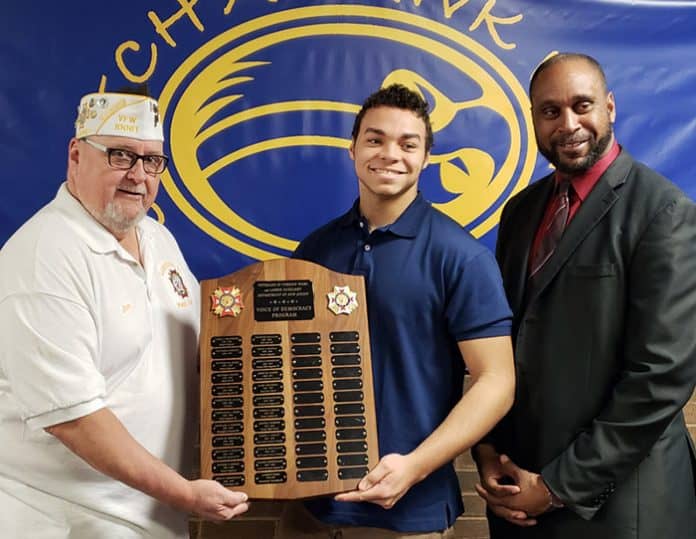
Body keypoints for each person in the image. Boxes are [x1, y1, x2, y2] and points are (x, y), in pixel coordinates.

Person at [0, 88, 249, 538]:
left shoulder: (157, 239)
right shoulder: (45, 256)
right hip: (63, 520)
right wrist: (186, 494)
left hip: (149, 518)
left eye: (152, 161)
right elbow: (75, 420)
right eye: (120, 155)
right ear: (76, 155)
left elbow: (198, 353)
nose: (139, 176)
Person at [275, 83, 516, 538]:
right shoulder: (315, 248)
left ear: (426, 158)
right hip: (309, 510)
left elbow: (497, 382)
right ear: (352, 149)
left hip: (409, 515)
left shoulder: (461, 256)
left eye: (408, 144)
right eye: (375, 139)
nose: (390, 154)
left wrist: (415, 468)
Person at [474, 52, 696, 539]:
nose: (568, 124)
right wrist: (487, 448)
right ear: (534, 119)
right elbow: (502, 342)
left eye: (582, 105)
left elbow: (660, 378)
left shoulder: (664, 213)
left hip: (618, 508)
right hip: (519, 498)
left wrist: (557, 486)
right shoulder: (519, 213)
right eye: (550, 111)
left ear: (610, 107)